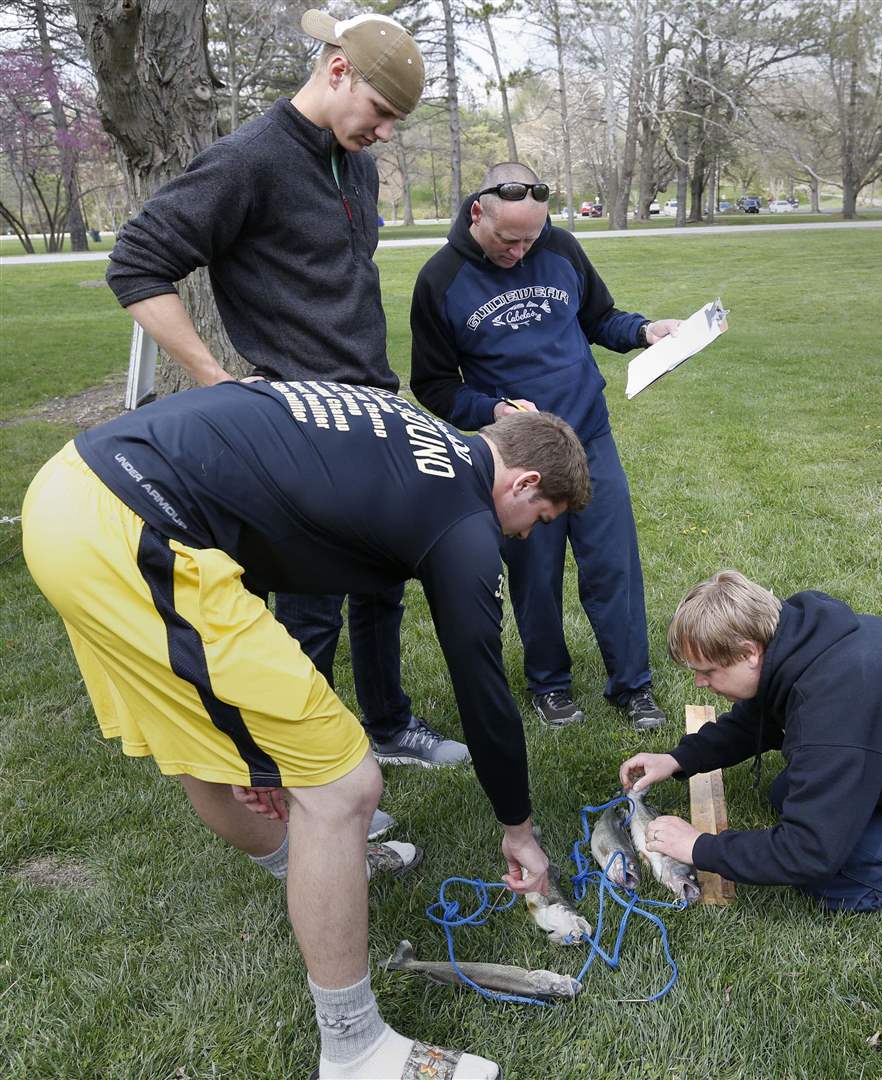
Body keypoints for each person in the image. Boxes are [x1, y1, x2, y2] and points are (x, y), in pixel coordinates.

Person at [22, 379, 591, 1079]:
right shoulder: (464, 517)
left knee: (204, 754)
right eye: (538, 515)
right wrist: (519, 830)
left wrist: (250, 751)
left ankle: (322, 867)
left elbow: (261, 498)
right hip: (135, 529)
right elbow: (484, 690)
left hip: (70, 491)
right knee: (346, 786)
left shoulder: (408, 431)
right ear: (524, 479)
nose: (527, 533)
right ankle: (355, 1050)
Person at [105, 11, 469, 820]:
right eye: (378, 114)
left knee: (385, 582)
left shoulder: (356, 167)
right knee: (310, 610)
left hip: (373, 407)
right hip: (299, 430)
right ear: (337, 72)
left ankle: (389, 725)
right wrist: (214, 378)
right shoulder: (248, 159)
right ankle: (310, 774)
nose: (381, 134)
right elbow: (137, 264)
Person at [410, 161, 680, 732]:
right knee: (535, 573)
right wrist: (493, 411)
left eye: (531, 238)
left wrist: (643, 331)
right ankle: (549, 684)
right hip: (521, 457)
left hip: (589, 437)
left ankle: (633, 686)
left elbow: (598, 317)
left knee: (613, 564)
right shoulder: (440, 279)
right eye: (509, 240)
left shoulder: (559, 247)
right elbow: (434, 384)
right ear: (477, 212)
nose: (520, 251)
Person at [620, 570, 882, 913]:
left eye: (707, 671)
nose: (700, 682)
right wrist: (678, 759)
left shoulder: (837, 707)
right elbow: (756, 720)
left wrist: (700, 847)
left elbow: (809, 851)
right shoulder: (795, 642)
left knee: (831, 880)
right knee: (788, 794)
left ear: (748, 652)